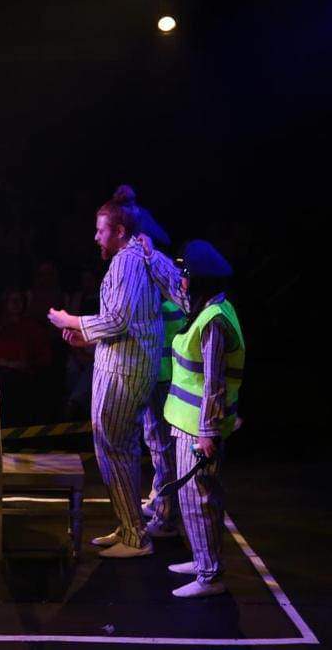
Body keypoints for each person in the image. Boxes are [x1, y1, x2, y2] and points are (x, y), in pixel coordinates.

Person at [47, 185, 163, 558]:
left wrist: (72, 320)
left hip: (126, 373)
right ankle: (128, 525)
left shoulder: (128, 260)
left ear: (119, 231)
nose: (96, 237)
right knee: (114, 448)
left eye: (101, 230)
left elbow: (117, 320)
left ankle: (135, 537)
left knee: (118, 449)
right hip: (121, 365)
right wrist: (86, 339)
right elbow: (124, 324)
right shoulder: (128, 259)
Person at [139, 237, 246, 598]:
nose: (182, 280)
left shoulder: (213, 321)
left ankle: (210, 575)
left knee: (200, 500)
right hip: (187, 423)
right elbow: (174, 288)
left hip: (199, 428)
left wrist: (208, 432)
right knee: (191, 498)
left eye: (186, 274)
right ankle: (203, 560)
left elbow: (214, 382)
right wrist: (152, 255)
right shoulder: (206, 308)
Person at [136, 208, 187, 538]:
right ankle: (160, 498)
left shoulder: (160, 274)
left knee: (161, 443)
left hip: (163, 374)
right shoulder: (160, 271)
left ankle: (166, 515)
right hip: (158, 372)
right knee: (155, 441)